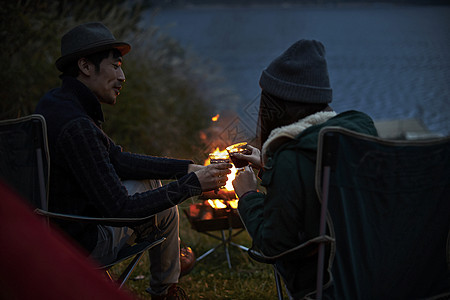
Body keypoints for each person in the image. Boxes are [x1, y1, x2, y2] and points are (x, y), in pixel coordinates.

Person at [35, 22, 231, 299]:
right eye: (115, 66)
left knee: (148, 181)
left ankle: (170, 270)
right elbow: (121, 207)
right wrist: (190, 185)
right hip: (80, 245)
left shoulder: (56, 104)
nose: (122, 76)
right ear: (86, 66)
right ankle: (166, 289)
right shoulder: (77, 125)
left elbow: (118, 159)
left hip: (47, 233)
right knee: (156, 195)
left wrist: (186, 168)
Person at [231, 39, 378, 299]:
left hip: (323, 282)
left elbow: (272, 245)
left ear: (273, 106)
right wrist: (269, 167)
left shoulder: (292, 156)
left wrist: (247, 195)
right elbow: (320, 190)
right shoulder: (356, 137)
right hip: (371, 271)